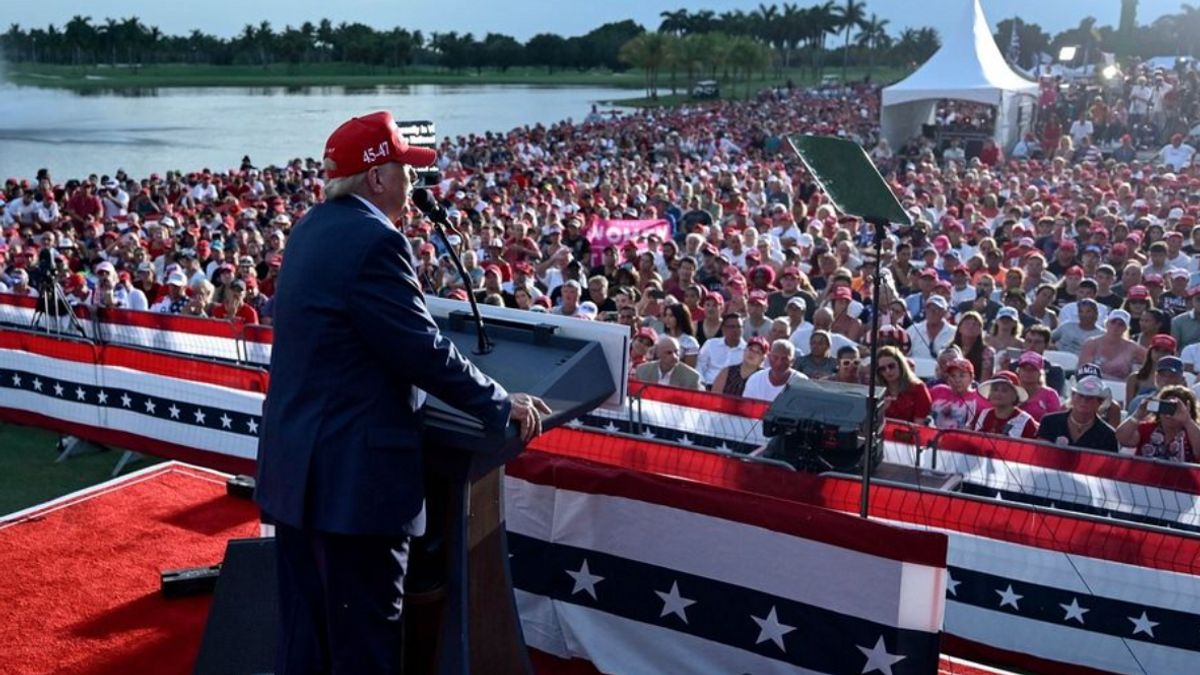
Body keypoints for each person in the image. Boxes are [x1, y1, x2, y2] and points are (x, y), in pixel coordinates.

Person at [255, 111, 550, 674]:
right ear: (376, 179)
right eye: (405, 170)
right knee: (365, 642)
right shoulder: (375, 242)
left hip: (301, 472)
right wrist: (496, 401)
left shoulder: (313, 227)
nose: (414, 183)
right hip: (353, 483)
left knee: (308, 637)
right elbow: (420, 348)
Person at [1116, 385, 1200, 463]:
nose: (1169, 415)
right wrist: (1137, 415)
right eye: (1166, 407)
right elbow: (1123, 439)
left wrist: (1187, 421)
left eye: (1175, 409)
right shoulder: (1147, 429)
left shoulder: (1193, 433)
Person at [1036, 376, 1120, 453]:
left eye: (1090, 398)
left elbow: (1107, 466)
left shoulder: (1108, 435)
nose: (1084, 401)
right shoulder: (1049, 422)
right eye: (1080, 396)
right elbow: (1039, 454)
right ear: (1072, 396)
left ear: (1100, 402)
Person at [1077, 310, 1147, 381]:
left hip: (1120, 388)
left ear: (1126, 328)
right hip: (1092, 385)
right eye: (1113, 322)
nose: (1116, 326)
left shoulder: (1133, 348)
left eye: (1121, 324)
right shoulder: (1091, 344)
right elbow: (1084, 370)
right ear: (1106, 324)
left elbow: (1152, 360)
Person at [875, 345, 932, 423]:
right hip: (880, 433)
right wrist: (881, 410)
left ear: (901, 365)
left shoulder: (918, 388)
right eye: (882, 369)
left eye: (891, 366)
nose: (887, 371)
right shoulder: (876, 391)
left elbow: (919, 426)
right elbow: (871, 424)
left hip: (909, 433)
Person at [974, 371, 1039, 439]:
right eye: (995, 389)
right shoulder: (984, 414)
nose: (998, 394)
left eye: (1004, 390)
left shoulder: (1026, 421)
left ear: (1014, 396)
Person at [929, 358, 989, 430]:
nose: (957, 380)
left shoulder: (980, 398)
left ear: (971, 378)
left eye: (962, 376)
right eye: (953, 376)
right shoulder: (937, 391)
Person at [742, 339, 808, 402]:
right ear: (769, 357)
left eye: (784, 359)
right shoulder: (755, 379)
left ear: (792, 361)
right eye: (775, 357)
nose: (779, 362)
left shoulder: (802, 383)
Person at [634, 335, 704, 390]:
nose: (674, 356)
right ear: (658, 354)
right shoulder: (642, 371)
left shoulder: (692, 377)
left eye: (676, 352)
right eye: (668, 353)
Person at [696, 312, 746, 387]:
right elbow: (700, 365)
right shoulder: (710, 344)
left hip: (733, 390)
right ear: (723, 329)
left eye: (739, 327)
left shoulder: (747, 350)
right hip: (708, 385)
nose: (736, 330)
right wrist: (702, 383)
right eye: (732, 327)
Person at [1014, 352, 1061, 422]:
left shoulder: (1050, 394)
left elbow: (1055, 421)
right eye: (1024, 369)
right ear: (1019, 371)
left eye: (1033, 369)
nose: (1028, 372)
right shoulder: (1011, 391)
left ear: (1040, 373)